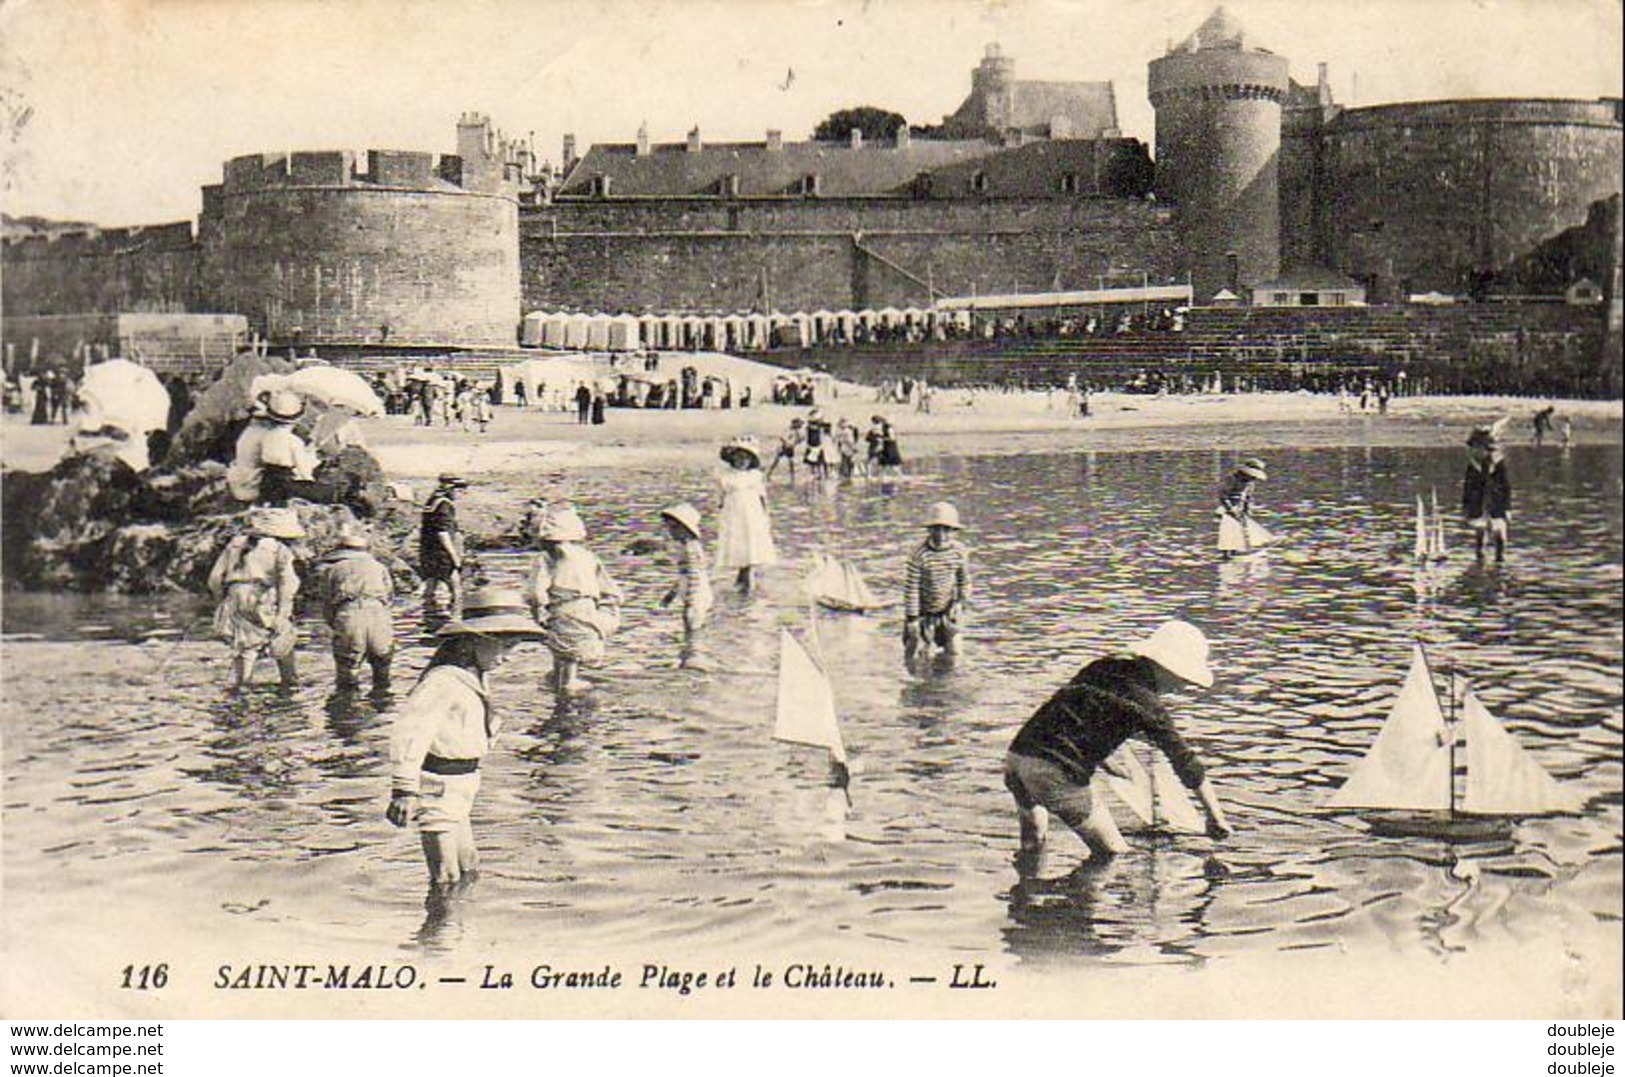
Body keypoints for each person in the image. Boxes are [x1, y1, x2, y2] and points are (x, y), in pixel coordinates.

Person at [1004, 621, 1233, 860]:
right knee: (1113, 856)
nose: (1182, 687)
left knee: (1033, 844)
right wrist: (1216, 818)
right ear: (1167, 669)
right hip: (1052, 771)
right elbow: (1187, 765)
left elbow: (1073, 719)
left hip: (1018, 756)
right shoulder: (1149, 707)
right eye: (1183, 679)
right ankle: (1084, 896)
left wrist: (1110, 765)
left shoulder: (1102, 667)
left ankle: (1026, 892)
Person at [386, 587, 544, 886]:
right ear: (474, 640)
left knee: (469, 868)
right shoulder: (443, 681)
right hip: (438, 785)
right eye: (505, 647)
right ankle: (439, 930)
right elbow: (409, 732)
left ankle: (463, 928)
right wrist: (404, 790)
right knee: (445, 876)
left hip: (463, 783)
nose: (509, 657)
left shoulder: (473, 678)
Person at [527, 504, 622, 694]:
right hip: (587, 607)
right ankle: (564, 681)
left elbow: (536, 592)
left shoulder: (546, 558)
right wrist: (609, 608)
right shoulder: (588, 556)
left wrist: (537, 613)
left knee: (564, 651)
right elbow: (609, 588)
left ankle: (565, 684)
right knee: (574, 649)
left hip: (562, 607)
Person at [207, 506, 304, 690]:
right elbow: (288, 584)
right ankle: (289, 684)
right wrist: (283, 613)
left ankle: (243, 687)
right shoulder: (279, 549)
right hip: (261, 596)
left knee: (244, 644)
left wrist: (222, 601)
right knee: (282, 636)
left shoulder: (235, 544)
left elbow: (214, 579)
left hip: (235, 596)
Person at [319, 518, 395, 694]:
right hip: (378, 615)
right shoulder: (379, 567)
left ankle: (347, 713)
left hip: (349, 614)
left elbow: (327, 604)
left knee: (348, 672)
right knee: (382, 670)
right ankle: (383, 712)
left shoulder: (333, 570)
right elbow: (389, 598)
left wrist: (336, 624)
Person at [903, 502, 970, 663]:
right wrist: (912, 620)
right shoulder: (919, 554)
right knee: (918, 657)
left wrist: (960, 602)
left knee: (955, 654)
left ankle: (945, 685)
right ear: (929, 530)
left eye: (946, 529)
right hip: (923, 613)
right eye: (936, 529)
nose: (941, 535)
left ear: (953, 531)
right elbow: (911, 589)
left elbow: (964, 581)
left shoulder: (959, 551)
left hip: (947, 610)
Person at [714, 438, 778, 593]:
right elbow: (721, 498)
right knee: (738, 544)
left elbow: (763, 498)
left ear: (750, 461)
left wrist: (765, 516)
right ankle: (742, 577)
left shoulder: (755, 476)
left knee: (752, 543)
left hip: (752, 513)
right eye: (739, 458)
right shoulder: (725, 476)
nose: (742, 462)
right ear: (733, 459)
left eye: (746, 459)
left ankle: (749, 581)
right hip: (734, 513)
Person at [658, 502, 714, 665]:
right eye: (669, 528)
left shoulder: (691, 548)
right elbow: (683, 575)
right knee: (691, 622)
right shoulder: (685, 546)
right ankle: (689, 653)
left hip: (696, 594)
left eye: (674, 528)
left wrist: (690, 597)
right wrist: (672, 593)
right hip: (691, 592)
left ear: (686, 529)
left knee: (692, 623)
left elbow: (694, 574)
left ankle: (692, 653)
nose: (671, 532)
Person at [256, 391, 322, 505]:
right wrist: (312, 457)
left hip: (266, 479)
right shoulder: (293, 441)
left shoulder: (267, 436)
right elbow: (304, 469)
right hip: (285, 483)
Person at [1462, 424, 1512, 563]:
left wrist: (1507, 508)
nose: (1476, 451)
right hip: (1479, 503)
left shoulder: (1498, 463)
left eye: (1479, 448)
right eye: (1474, 448)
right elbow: (1468, 487)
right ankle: (1480, 554)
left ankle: (1499, 558)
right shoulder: (1473, 465)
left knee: (1499, 531)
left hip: (1496, 503)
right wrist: (1466, 506)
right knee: (1480, 530)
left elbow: (1506, 486)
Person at [420, 474, 467, 615]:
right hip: (442, 553)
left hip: (428, 551)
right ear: (451, 489)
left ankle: (428, 615)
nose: (462, 494)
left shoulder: (432, 502)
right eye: (460, 491)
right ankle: (456, 616)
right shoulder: (444, 504)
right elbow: (443, 532)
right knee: (455, 588)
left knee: (431, 585)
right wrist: (455, 556)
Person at [1216, 457, 1267, 558]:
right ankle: (1226, 553)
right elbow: (1223, 495)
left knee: (1241, 530)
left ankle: (1236, 551)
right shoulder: (1231, 479)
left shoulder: (1250, 483)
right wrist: (1230, 509)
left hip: (1240, 507)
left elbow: (1248, 497)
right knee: (1228, 530)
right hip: (1227, 508)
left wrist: (1247, 509)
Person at [765, 418, 804, 483]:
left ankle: (792, 478)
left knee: (791, 463)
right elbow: (782, 438)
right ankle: (768, 474)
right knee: (776, 461)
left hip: (790, 448)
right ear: (794, 424)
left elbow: (797, 440)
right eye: (799, 424)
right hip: (783, 447)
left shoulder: (796, 431)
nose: (800, 426)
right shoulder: (788, 430)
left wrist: (797, 441)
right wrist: (787, 443)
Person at [867, 415, 903, 479]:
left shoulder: (889, 429)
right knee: (883, 463)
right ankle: (881, 476)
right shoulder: (884, 428)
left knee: (892, 463)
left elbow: (892, 438)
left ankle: (899, 476)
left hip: (890, 447)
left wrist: (882, 438)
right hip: (887, 447)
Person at [803, 408, 834, 479]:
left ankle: (819, 474)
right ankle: (821, 474)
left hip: (817, 445)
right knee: (818, 461)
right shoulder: (812, 428)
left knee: (818, 461)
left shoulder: (812, 427)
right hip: (816, 445)